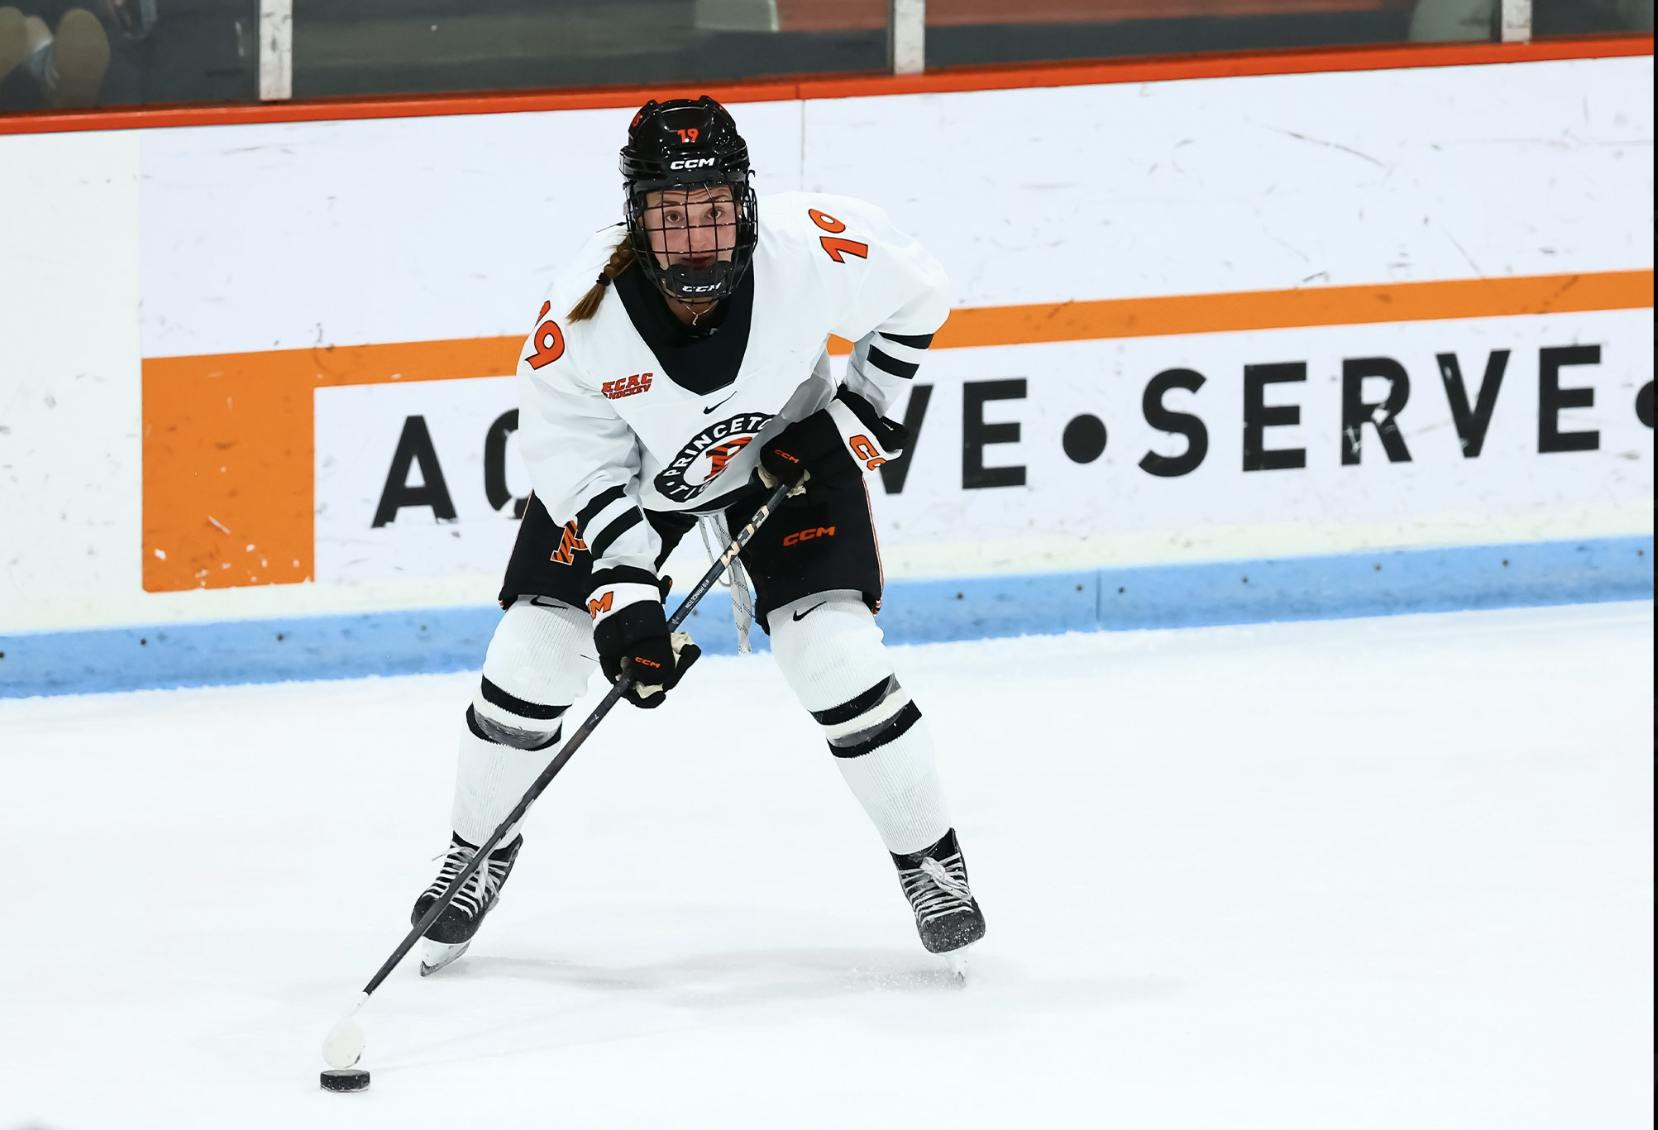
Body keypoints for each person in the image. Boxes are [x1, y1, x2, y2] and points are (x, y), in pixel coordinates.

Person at [409, 95, 986, 974]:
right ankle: (477, 849)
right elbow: (583, 473)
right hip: (642, 482)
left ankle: (931, 862)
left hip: (786, 456)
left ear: (745, 205)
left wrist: (863, 410)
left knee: (836, 657)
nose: (695, 238)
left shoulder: (809, 249)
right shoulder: (579, 321)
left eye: (713, 210)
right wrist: (629, 601)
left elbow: (920, 293)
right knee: (529, 658)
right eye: (671, 217)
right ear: (636, 219)